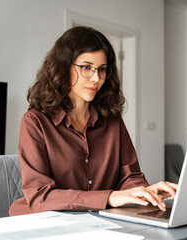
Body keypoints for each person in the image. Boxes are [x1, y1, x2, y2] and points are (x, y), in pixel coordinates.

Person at [9, 26, 177, 216]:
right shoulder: (35, 122)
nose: (96, 78)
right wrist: (109, 197)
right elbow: (40, 197)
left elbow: (130, 176)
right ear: (64, 66)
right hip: (44, 223)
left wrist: (144, 192)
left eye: (102, 69)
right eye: (86, 67)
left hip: (98, 222)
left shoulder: (113, 121)